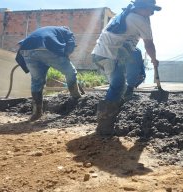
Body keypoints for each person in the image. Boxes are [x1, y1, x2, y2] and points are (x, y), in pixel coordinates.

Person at [91, 0, 161, 136]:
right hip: (109, 55)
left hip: (102, 54)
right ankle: (104, 126)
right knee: (117, 86)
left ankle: (115, 107)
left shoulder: (125, 14)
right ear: (141, 8)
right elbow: (149, 44)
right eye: (150, 10)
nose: (151, 13)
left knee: (120, 83)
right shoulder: (141, 19)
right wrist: (153, 59)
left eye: (153, 11)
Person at [15, 26, 81, 121]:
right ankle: (76, 98)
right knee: (71, 72)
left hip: (26, 51)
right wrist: (66, 55)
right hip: (44, 48)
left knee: (36, 81)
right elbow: (70, 45)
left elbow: (24, 43)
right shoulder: (67, 32)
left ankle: (37, 112)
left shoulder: (47, 30)